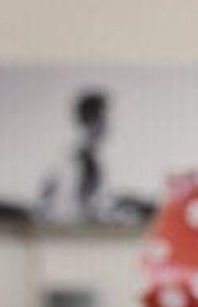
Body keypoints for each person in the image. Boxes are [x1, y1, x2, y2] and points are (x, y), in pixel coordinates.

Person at [36, 89, 135, 225]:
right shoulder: (82, 158)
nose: (108, 126)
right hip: (69, 230)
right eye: (104, 119)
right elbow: (76, 208)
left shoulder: (71, 154)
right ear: (93, 122)